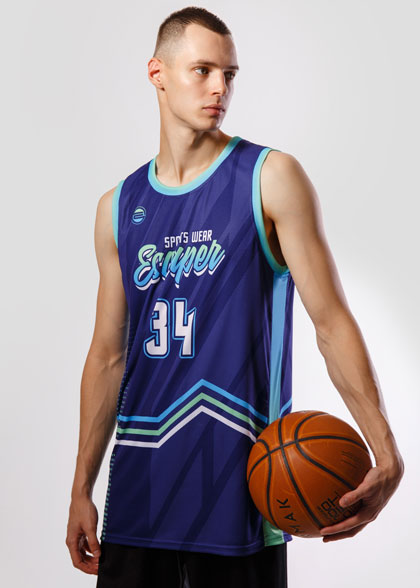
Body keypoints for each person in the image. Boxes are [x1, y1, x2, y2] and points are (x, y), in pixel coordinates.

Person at [65, 6, 404, 588]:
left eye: (230, 74)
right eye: (202, 70)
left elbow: (330, 322)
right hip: (139, 497)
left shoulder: (269, 177)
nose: (220, 87)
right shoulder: (117, 207)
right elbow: (107, 355)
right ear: (157, 73)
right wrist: (80, 488)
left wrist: (386, 449)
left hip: (240, 489)